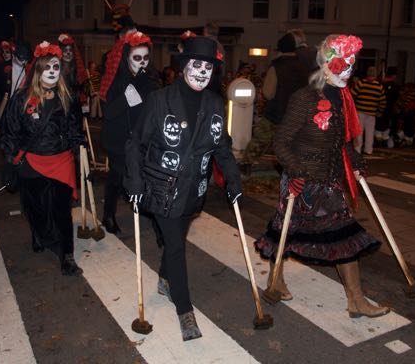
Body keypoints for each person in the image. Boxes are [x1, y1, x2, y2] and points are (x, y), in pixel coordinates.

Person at [254, 34, 390, 319]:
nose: (347, 71)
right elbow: (281, 142)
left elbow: (339, 141)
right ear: (325, 66)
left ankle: (356, 300)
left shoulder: (343, 98)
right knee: (287, 232)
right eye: (342, 65)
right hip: (301, 181)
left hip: (328, 181)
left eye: (351, 65)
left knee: (343, 234)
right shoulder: (304, 98)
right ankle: (275, 281)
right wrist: (295, 171)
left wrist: (355, 160)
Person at [124, 36, 242, 341]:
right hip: (163, 188)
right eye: (197, 65)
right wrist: (134, 180)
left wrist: (233, 178)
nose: (202, 72)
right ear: (184, 66)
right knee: (176, 246)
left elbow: (222, 147)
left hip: (194, 190)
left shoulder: (215, 103)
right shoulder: (160, 100)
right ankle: (184, 309)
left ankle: (165, 278)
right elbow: (136, 143)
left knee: (174, 239)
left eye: (208, 67)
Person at [0, 41, 83, 276]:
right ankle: (38, 234)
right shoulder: (21, 98)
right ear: (38, 69)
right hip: (32, 161)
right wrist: (9, 160)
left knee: (62, 211)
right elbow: (11, 131)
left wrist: (78, 149)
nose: (52, 72)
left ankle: (67, 255)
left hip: (61, 161)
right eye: (47, 67)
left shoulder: (67, 96)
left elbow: (74, 127)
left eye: (56, 67)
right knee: (36, 208)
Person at [99, 30, 158, 234]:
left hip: (140, 139)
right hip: (118, 139)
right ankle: (108, 214)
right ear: (127, 58)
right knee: (118, 176)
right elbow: (108, 113)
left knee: (143, 176)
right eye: (137, 58)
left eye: (145, 58)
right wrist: (126, 99)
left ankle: (147, 211)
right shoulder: (117, 80)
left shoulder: (150, 81)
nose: (142, 63)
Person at [242, 32, 309, 170]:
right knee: (289, 145)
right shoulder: (304, 66)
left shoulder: (277, 66)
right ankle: (287, 170)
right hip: (297, 114)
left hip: (276, 113)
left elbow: (268, 93)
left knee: (260, 139)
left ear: (280, 50)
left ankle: (246, 165)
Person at [351, 66, 387, 154]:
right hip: (372, 113)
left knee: (359, 131)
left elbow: (352, 94)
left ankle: (358, 149)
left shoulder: (361, 83)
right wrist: (380, 111)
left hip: (360, 111)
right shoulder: (379, 86)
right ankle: (368, 150)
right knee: (370, 132)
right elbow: (383, 101)